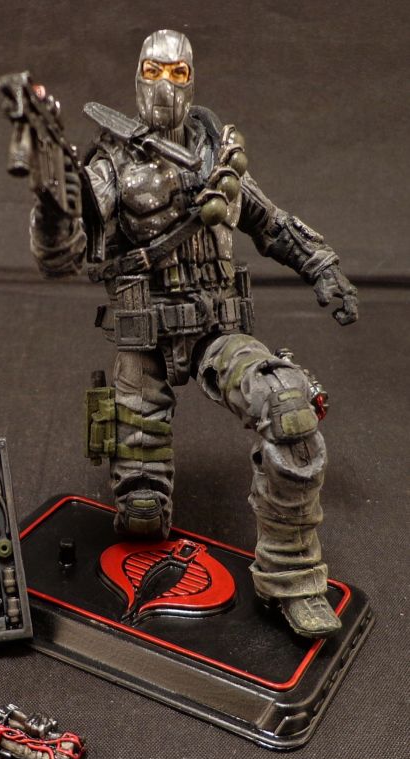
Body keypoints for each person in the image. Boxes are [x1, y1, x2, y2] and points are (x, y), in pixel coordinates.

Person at [25, 30, 358, 638]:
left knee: (289, 410)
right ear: (137, 77)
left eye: (178, 73)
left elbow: (271, 223)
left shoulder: (216, 159)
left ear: (192, 78)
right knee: (142, 519)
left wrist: (323, 267)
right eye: (154, 70)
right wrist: (52, 202)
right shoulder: (109, 166)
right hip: (144, 342)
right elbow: (62, 252)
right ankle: (143, 492)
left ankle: (292, 578)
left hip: (217, 333)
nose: (165, 85)